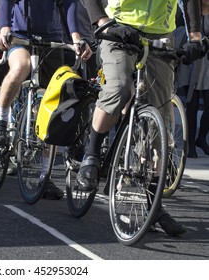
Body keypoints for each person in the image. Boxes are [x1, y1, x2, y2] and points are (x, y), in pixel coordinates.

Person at [79, 0, 203, 236]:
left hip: (160, 34)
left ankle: (154, 206)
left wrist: (195, 37)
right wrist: (103, 21)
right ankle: (92, 154)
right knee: (119, 89)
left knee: (160, 122)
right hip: (117, 28)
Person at [0, 0, 92, 199]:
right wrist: (4, 27)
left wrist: (75, 37)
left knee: (53, 105)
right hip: (20, 36)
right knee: (21, 67)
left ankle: (44, 177)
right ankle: (1, 121)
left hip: (52, 39)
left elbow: (69, 3)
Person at [175, 10, 209, 158]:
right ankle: (189, 145)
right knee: (192, 104)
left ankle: (201, 138)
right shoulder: (188, 8)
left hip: (206, 63)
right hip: (190, 62)